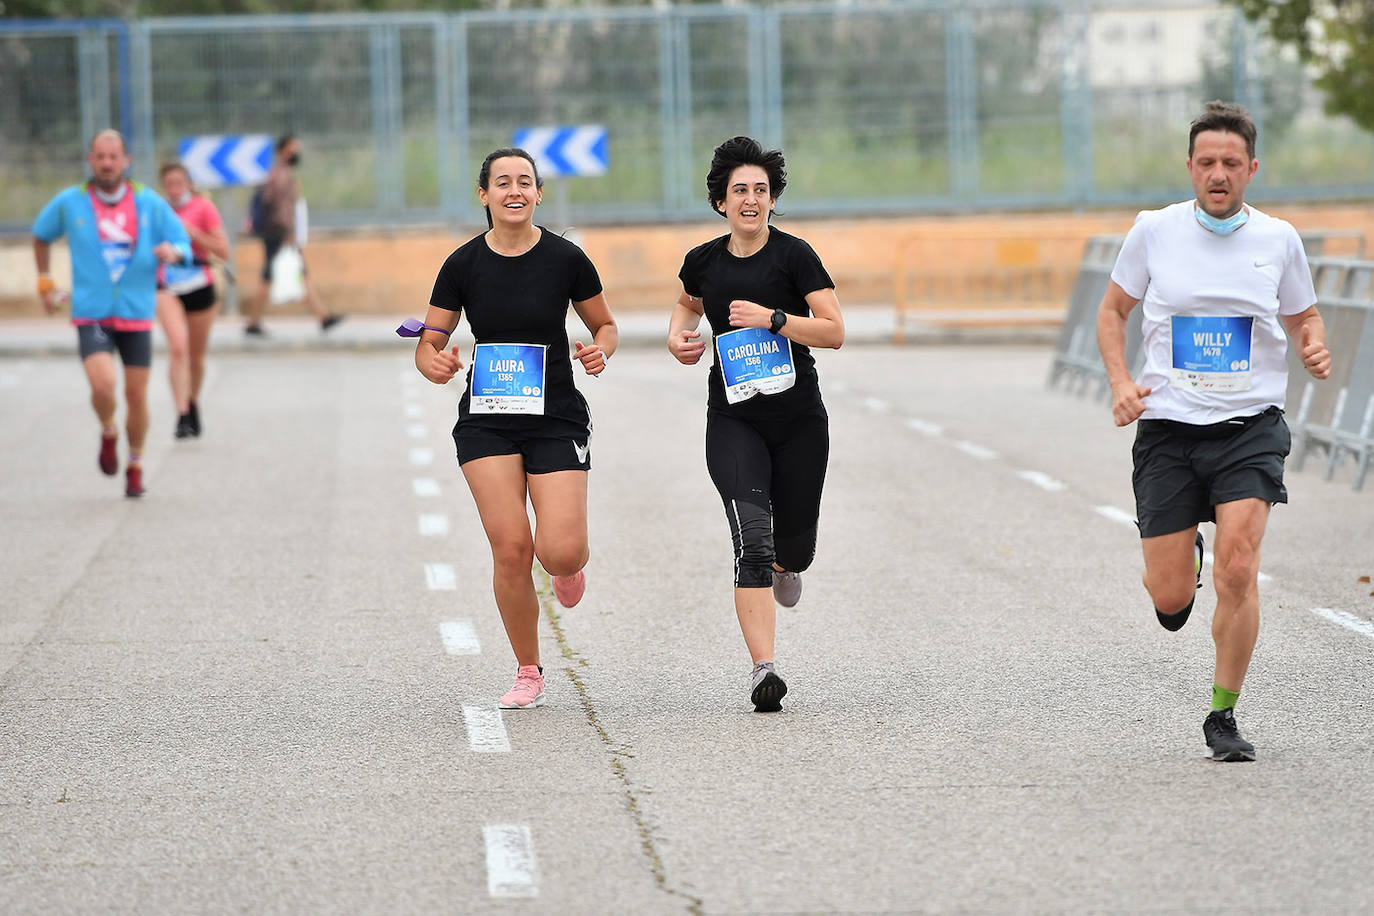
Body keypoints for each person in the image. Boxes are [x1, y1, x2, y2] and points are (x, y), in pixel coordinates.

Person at [1097, 101, 1331, 762]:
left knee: (1241, 565)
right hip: (1169, 429)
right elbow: (1113, 312)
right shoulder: (1154, 231)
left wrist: (1312, 345)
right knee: (1170, 597)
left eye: (1231, 163)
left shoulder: (1279, 240)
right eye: (1207, 162)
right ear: (1191, 168)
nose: (1219, 173)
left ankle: (1222, 714)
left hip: (1250, 428)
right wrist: (1120, 382)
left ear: (1251, 168)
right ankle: (1184, 566)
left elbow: (1305, 316)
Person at [413, 147, 618, 709]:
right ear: (484, 195)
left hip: (555, 416)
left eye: (524, 182)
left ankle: (567, 567)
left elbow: (604, 324)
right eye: (502, 183)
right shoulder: (462, 265)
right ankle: (528, 668)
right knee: (510, 549)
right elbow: (430, 340)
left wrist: (599, 350)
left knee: (561, 551)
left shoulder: (566, 258)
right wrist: (432, 361)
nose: (514, 191)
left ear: (539, 193)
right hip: (488, 420)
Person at [668, 136, 845, 713]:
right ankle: (763, 669)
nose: (750, 200)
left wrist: (775, 319)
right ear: (721, 201)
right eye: (739, 190)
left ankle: (787, 566)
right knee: (751, 537)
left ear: (772, 201)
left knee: (794, 547)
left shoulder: (795, 256)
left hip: (798, 422)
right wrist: (679, 338)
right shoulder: (704, 261)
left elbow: (834, 329)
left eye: (760, 191)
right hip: (734, 421)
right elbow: (688, 304)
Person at [32, 129, 193, 498]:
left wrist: (175, 252)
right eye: (100, 157)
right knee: (103, 385)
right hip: (93, 312)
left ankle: (135, 464)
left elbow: (181, 240)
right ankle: (108, 429)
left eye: (113, 157)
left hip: (136, 312)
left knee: (137, 397)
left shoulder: (149, 202)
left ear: (126, 161)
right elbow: (41, 235)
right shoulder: (70, 203)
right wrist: (45, 281)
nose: (106, 163)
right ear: (90, 160)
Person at [157, 161, 229, 438]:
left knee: (196, 358)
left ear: (188, 184)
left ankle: (193, 400)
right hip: (167, 287)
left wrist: (193, 232)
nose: (174, 189)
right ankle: (182, 414)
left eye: (179, 183)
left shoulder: (203, 208)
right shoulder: (156, 210)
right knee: (178, 349)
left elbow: (223, 252)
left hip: (199, 285)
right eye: (169, 184)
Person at [244, 134, 342, 336]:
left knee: (292, 274)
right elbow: (282, 208)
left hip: (277, 233)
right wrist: (289, 232)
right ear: (283, 150)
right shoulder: (281, 175)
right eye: (293, 147)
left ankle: (323, 317)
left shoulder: (279, 172)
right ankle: (253, 323)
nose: (297, 151)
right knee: (275, 276)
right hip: (280, 234)